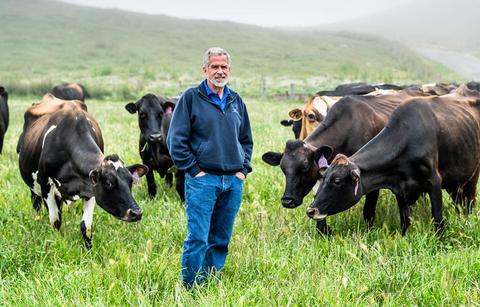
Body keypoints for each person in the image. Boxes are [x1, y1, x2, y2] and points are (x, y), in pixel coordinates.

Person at [166, 47, 254, 288]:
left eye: (223, 67)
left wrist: (242, 171)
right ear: (205, 70)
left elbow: (246, 140)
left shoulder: (236, 100)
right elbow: (176, 141)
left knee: (221, 239)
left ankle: (210, 282)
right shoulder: (191, 98)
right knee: (198, 238)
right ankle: (190, 287)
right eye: (214, 66)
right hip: (203, 180)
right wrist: (195, 171)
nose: (219, 71)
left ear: (229, 69)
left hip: (233, 182)